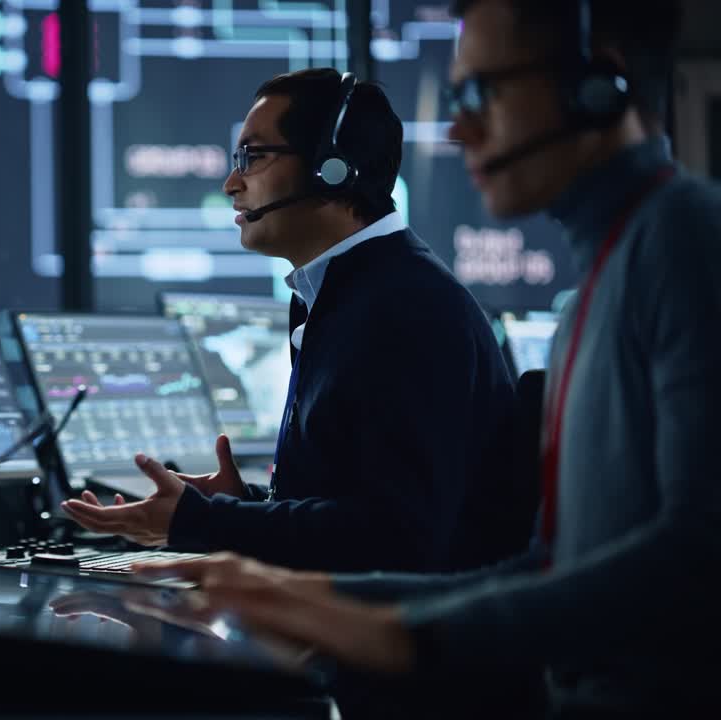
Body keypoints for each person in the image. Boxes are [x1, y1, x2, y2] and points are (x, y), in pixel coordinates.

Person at [138, 0, 721, 715]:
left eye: (484, 93)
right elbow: (546, 569)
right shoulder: (600, 282)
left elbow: (697, 558)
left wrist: (401, 635)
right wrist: (304, 595)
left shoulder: (683, 239)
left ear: (601, 83)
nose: (458, 129)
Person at [61, 68, 535, 576]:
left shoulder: (405, 310)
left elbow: (396, 539)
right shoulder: (345, 291)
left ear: (332, 168)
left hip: (409, 648)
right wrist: (247, 505)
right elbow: (351, 507)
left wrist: (207, 522)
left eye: (253, 156)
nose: (231, 183)